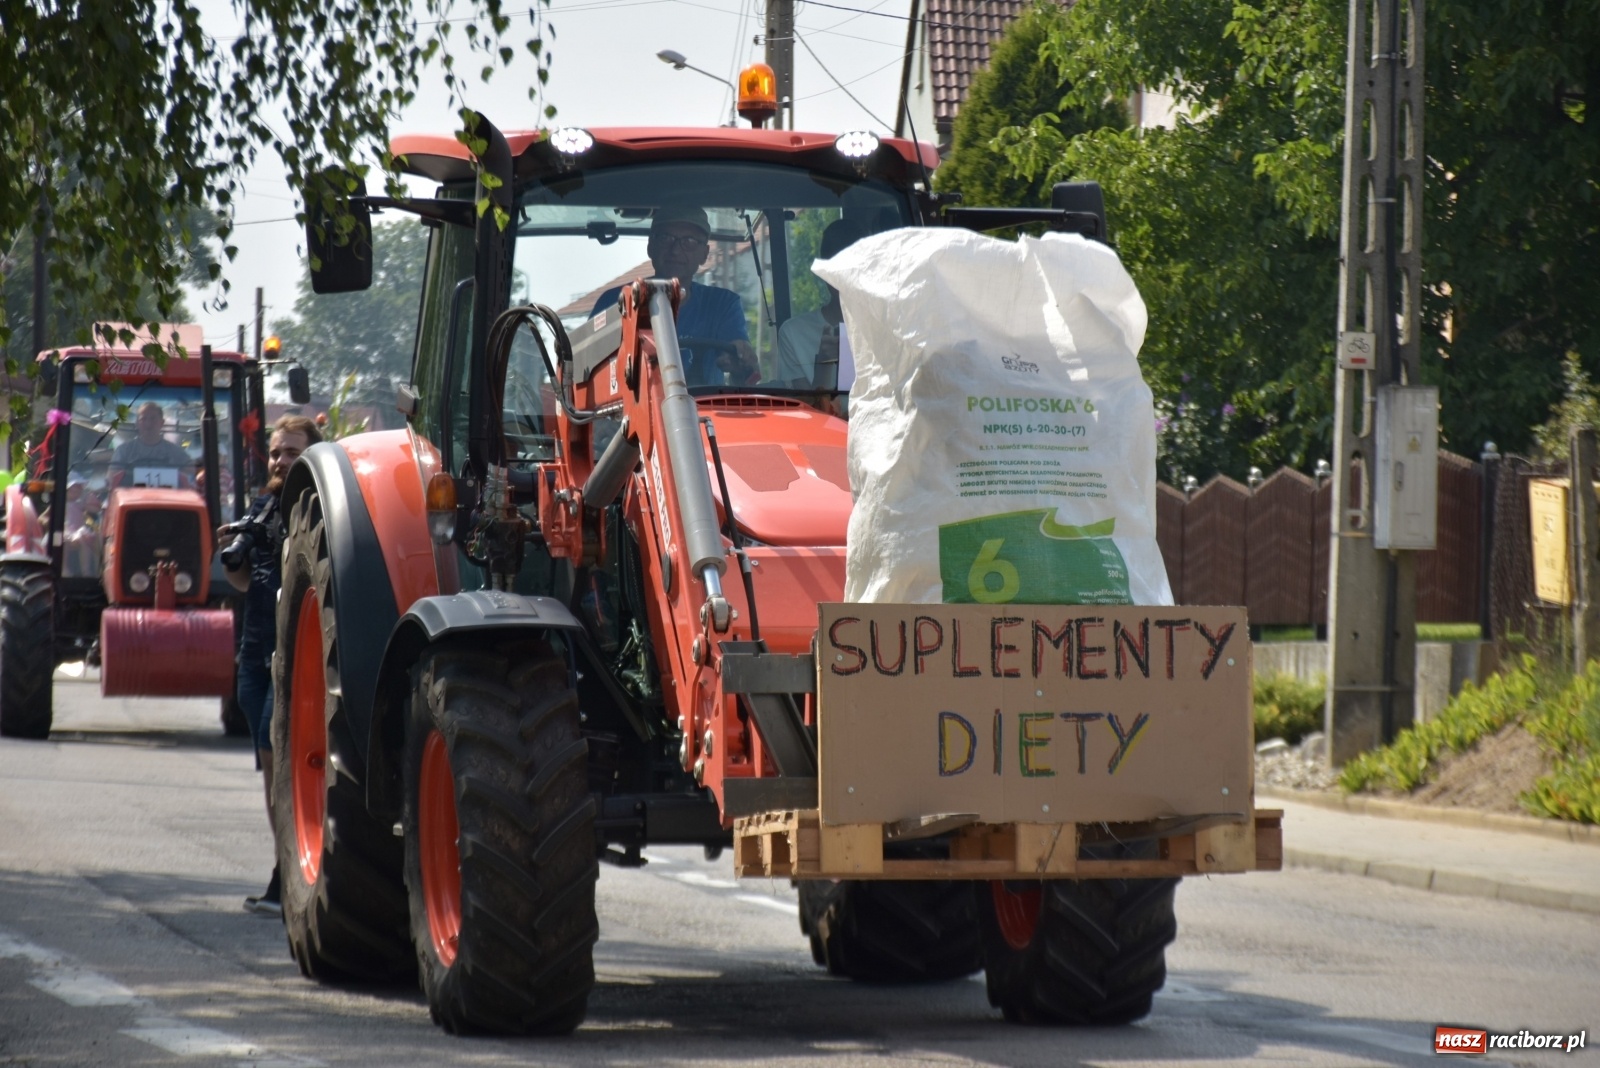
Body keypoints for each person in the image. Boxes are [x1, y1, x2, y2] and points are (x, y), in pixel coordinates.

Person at [221, 414, 321, 916]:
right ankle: (284, 870)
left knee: (277, 756)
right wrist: (234, 556)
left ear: (313, 454)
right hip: (254, 653)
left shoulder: (317, 508)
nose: (282, 460)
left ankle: (293, 875)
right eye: (277, 452)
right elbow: (244, 585)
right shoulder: (262, 506)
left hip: (289, 658)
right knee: (270, 773)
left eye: (292, 451)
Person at [591, 206, 759, 385]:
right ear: (651, 246)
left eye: (689, 241)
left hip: (704, 409)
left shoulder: (722, 304)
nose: (676, 250)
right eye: (666, 238)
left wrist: (740, 358)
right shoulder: (614, 302)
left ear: (704, 254)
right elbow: (589, 374)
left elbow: (743, 372)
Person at [775, 218, 867, 404]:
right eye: (838, 270)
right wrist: (824, 364)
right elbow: (807, 416)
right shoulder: (794, 334)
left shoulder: (889, 329)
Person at [110, 402, 195, 487]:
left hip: (168, 497)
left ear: (162, 423)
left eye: (153, 419)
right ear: (137, 423)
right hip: (129, 497)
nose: (148, 424)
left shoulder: (176, 452)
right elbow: (112, 478)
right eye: (143, 419)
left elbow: (191, 473)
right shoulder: (123, 451)